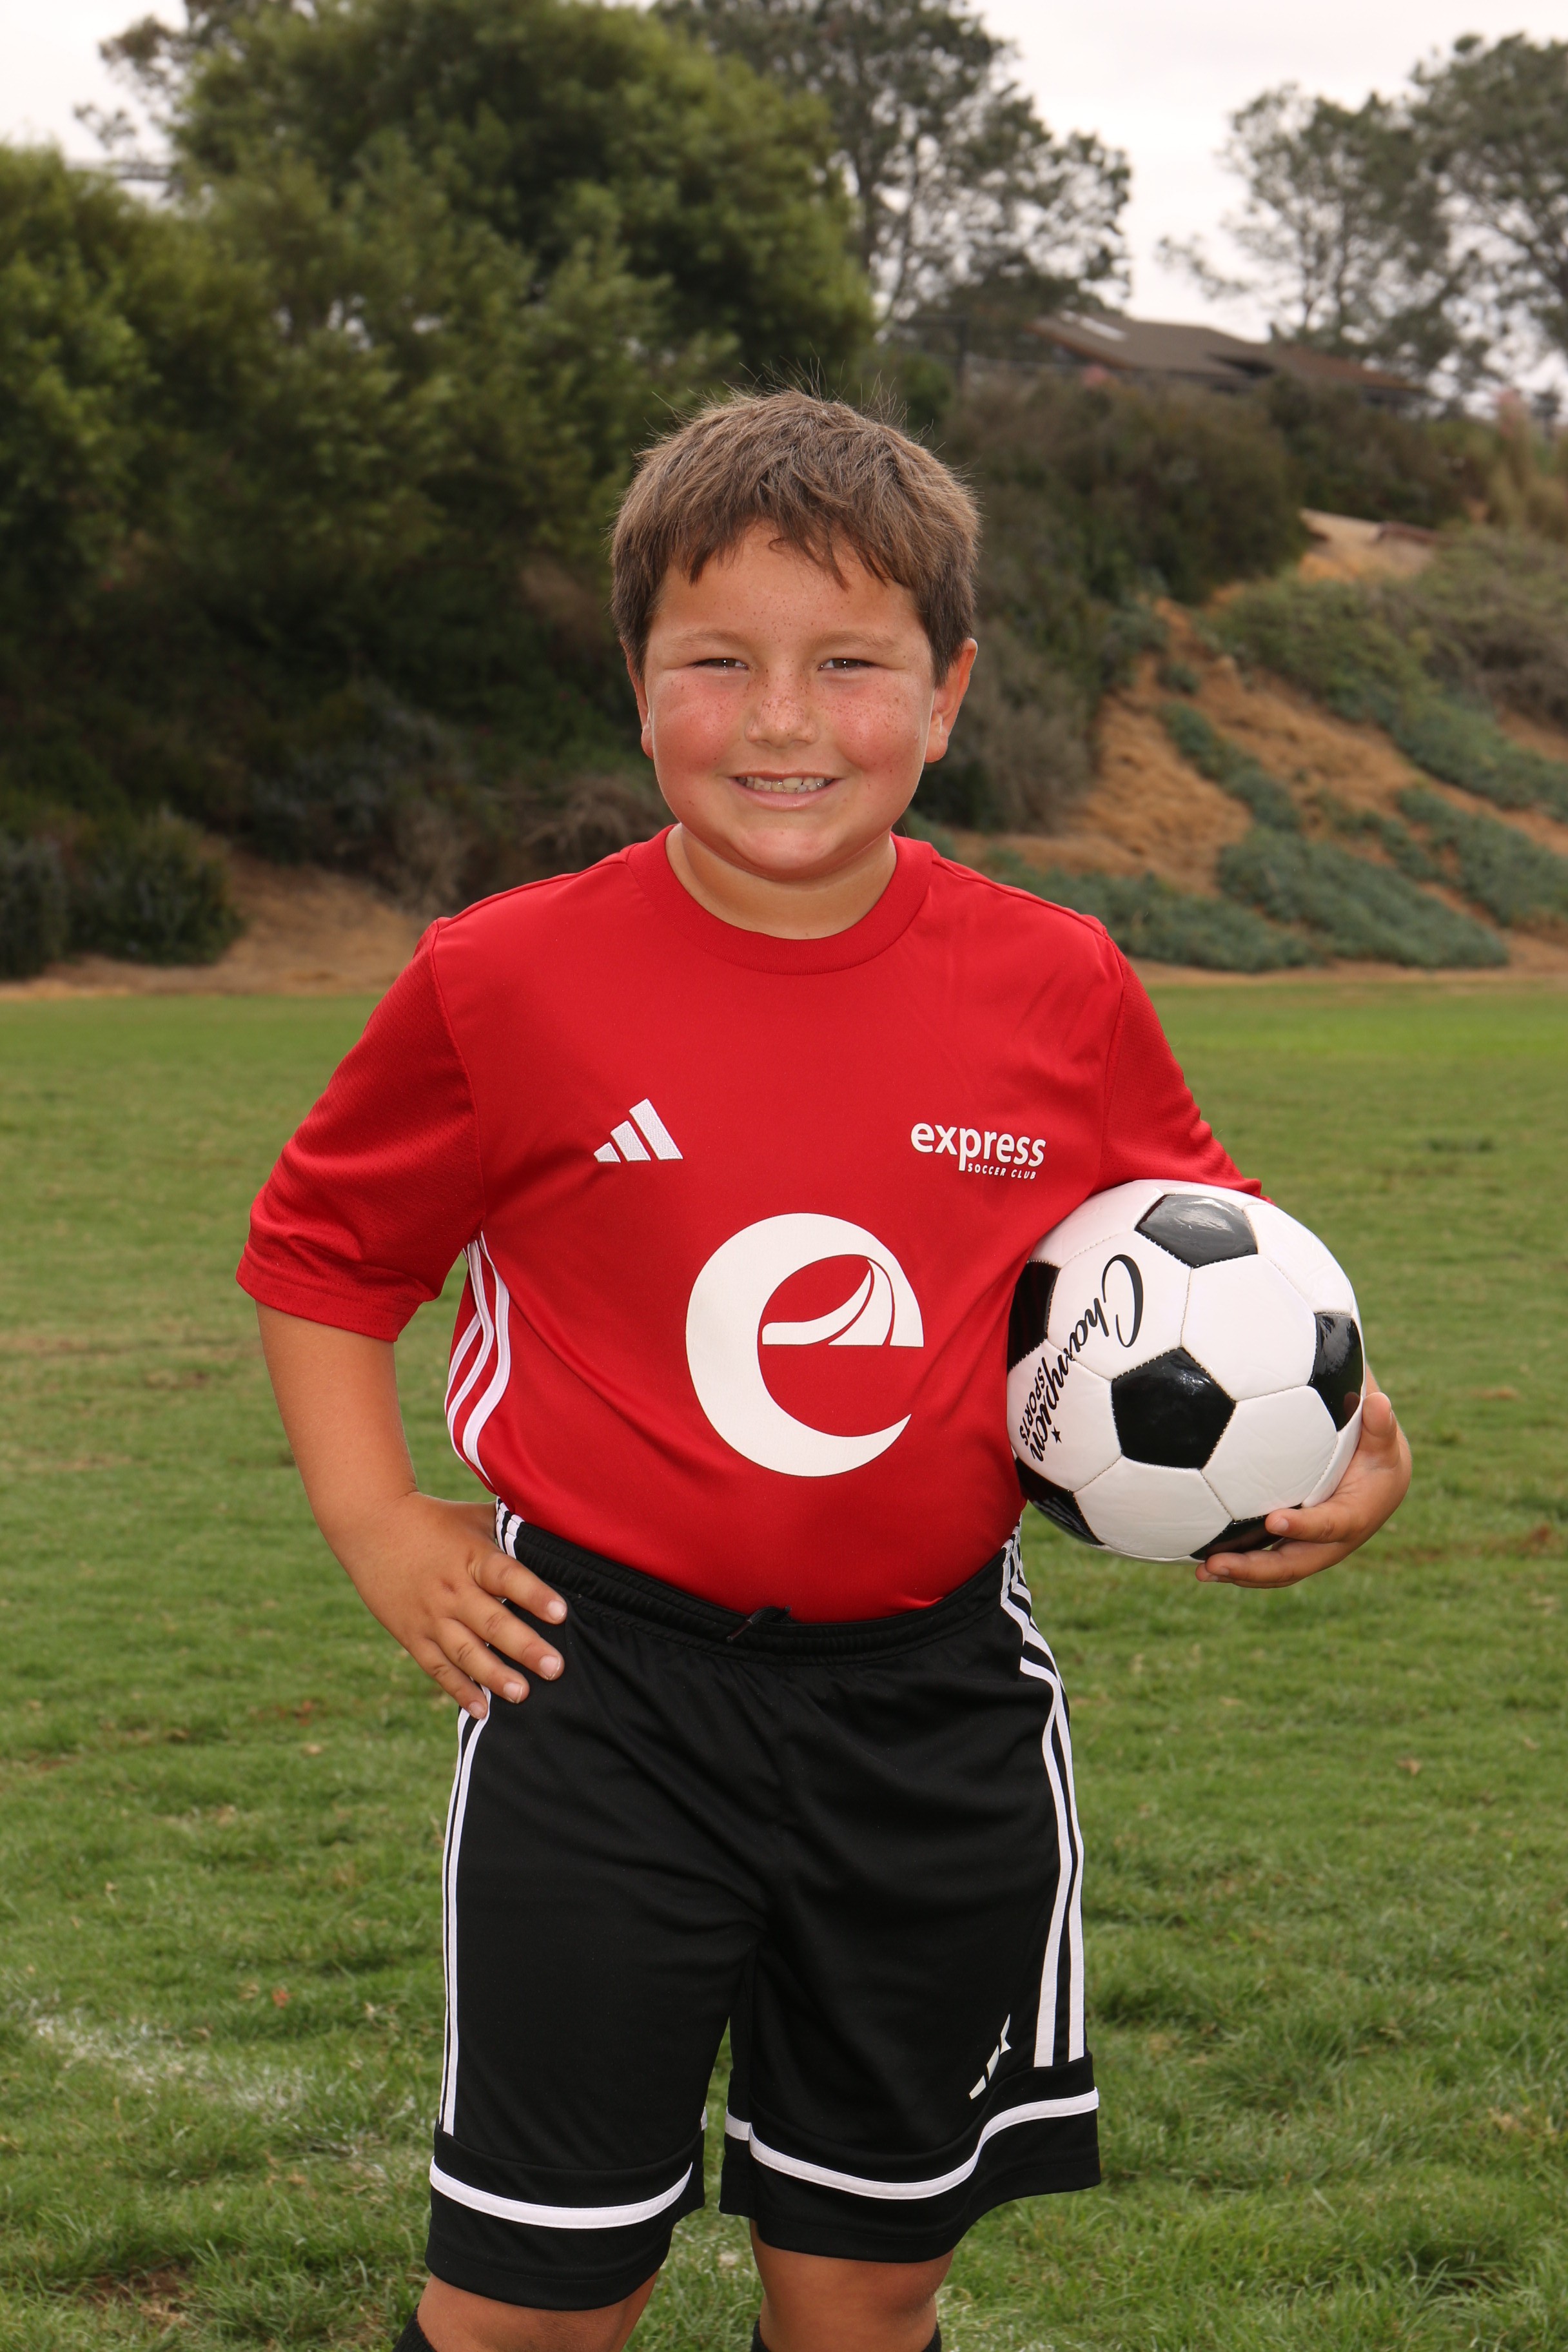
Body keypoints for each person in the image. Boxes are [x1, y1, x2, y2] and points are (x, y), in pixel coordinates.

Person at [239, 392, 1411, 2352]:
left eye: (851, 665)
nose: (782, 720)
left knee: (864, 2293)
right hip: (598, 1702)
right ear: (638, 685)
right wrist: (376, 1523)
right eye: (719, 661)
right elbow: (323, 1255)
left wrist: (1358, 1455)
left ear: (947, 697)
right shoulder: (503, 979)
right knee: (536, 2301)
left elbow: (1230, 1278)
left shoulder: (1056, 982)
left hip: (934, 1718)